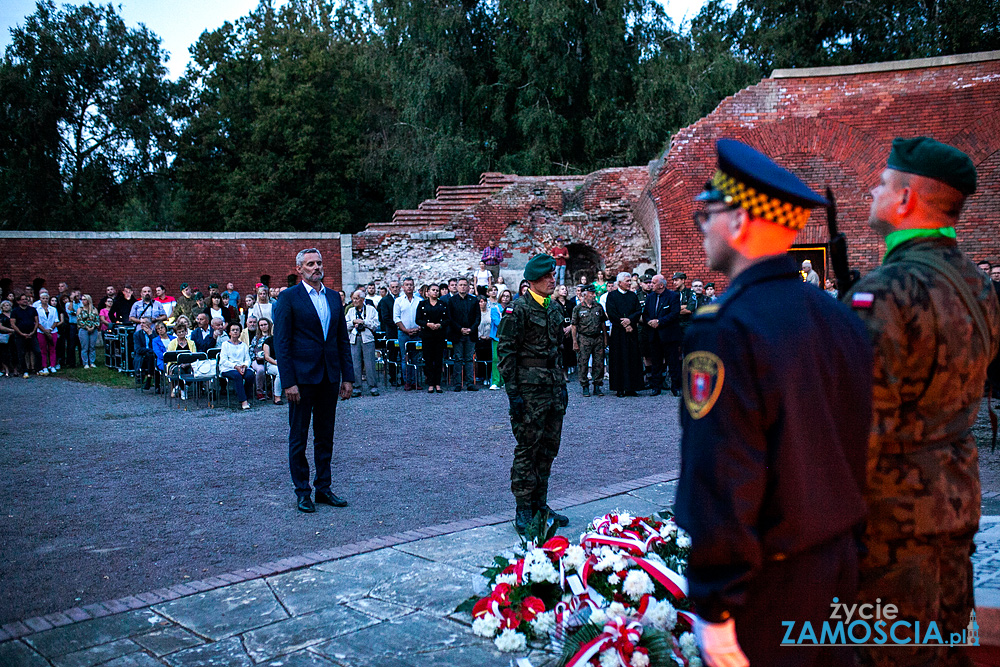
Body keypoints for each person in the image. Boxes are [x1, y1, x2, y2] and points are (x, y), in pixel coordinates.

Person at [675, 138, 873, 667]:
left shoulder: (725, 328)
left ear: (738, 221)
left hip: (769, 587)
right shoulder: (840, 318)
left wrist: (715, 609)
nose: (701, 226)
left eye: (707, 212)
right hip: (837, 569)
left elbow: (722, 475)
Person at [845, 137, 1000, 666]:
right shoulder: (979, 287)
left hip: (889, 524)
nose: (872, 189)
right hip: (955, 505)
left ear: (906, 199)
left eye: (882, 183)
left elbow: (857, 429)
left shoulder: (883, 294)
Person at [273, 248, 355, 513]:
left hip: (329, 376)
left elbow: (342, 339)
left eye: (319, 262)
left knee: (325, 436)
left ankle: (323, 488)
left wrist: (348, 377)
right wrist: (288, 382)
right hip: (301, 378)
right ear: (300, 269)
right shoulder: (288, 298)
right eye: (310, 264)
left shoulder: (333, 297)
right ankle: (302, 492)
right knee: (298, 437)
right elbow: (282, 343)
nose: (316, 267)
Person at [497, 253, 570, 534]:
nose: (554, 280)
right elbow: (506, 354)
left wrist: (562, 388)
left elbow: (557, 352)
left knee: (549, 448)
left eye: (553, 276)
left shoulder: (554, 309)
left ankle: (541, 504)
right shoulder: (518, 310)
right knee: (528, 448)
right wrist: (513, 396)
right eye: (548, 277)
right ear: (533, 280)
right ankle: (524, 509)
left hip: (552, 388)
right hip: (528, 391)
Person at [642, 274, 681, 396]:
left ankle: (676, 387)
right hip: (654, 334)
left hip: (668, 335)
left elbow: (674, 313)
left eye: (653, 283)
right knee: (656, 363)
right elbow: (646, 313)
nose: (651, 285)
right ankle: (656, 387)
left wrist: (659, 322)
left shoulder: (673, 296)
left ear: (661, 285)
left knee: (673, 362)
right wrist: (649, 321)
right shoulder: (650, 297)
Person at [605, 271, 643, 397]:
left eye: (630, 281)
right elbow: (611, 313)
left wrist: (630, 321)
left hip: (631, 332)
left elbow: (638, 310)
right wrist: (624, 324)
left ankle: (632, 387)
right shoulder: (612, 296)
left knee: (633, 358)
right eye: (627, 281)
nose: (629, 283)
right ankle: (619, 388)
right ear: (620, 282)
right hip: (618, 332)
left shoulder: (633, 295)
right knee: (618, 359)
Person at [571, 284, 607, 397]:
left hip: (597, 338)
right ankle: (585, 386)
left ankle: (597, 385)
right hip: (584, 338)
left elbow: (603, 323)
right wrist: (574, 342)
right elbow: (574, 326)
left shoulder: (598, 307)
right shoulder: (578, 308)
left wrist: (605, 338)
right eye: (591, 294)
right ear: (585, 295)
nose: (594, 295)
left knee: (599, 363)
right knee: (583, 363)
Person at [448, 277, 480, 391]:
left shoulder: (474, 300)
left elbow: (477, 318)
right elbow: (450, 318)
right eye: (460, 285)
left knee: (469, 359)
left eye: (464, 285)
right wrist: (460, 329)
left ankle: (470, 383)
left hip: (471, 334)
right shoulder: (452, 301)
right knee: (458, 359)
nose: (462, 287)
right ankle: (458, 384)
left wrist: (471, 329)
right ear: (457, 287)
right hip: (458, 334)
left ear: (468, 287)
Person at [346, 290, 380, 397]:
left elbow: (376, 324)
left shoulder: (371, 310)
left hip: (367, 339)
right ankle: (357, 387)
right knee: (355, 364)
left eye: (356, 298)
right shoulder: (351, 311)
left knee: (370, 363)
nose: (354, 301)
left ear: (362, 300)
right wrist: (353, 322)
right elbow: (345, 324)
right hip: (354, 339)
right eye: (353, 298)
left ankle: (373, 387)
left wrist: (364, 322)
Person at [416, 284, 449, 393]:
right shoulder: (422, 304)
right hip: (427, 335)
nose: (435, 292)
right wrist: (427, 324)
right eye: (433, 290)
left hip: (439, 335)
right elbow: (418, 319)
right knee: (428, 359)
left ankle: (438, 383)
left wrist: (440, 325)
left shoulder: (443, 304)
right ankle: (430, 383)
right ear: (428, 292)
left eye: (437, 290)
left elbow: (447, 319)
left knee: (439, 359)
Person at [393, 277, 422, 391]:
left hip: (417, 333)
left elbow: (422, 316)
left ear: (414, 287)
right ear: (403, 287)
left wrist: (418, 328)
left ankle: (415, 381)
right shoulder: (398, 301)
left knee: (416, 358)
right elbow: (396, 318)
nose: (409, 287)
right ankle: (407, 382)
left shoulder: (419, 300)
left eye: (411, 284)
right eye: (407, 285)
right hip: (403, 333)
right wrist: (405, 330)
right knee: (405, 358)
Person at [219, 322, 255, 410]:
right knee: (237, 375)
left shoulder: (243, 345)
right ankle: (243, 401)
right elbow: (223, 360)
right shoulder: (225, 345)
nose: (235, 332)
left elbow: (247, 359)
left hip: (242, 367)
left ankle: (246, 395)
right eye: (233, 330)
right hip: (228, 368)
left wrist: (244, 366)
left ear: (240, 332)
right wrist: (235, 366)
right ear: (229, 332)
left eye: (237, 330)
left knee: (250, 375)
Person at [377, 280, 400, 385]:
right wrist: (399, 325)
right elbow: (384, 317)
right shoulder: (385, 301)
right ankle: (393, 378)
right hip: (392, 331)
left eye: (397, 287)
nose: (395, 289)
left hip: (403, 332)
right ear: (389, 289)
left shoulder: (402, 299)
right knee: (392, 356)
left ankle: (404, 377)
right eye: (393, 287)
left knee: (404, 356)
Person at [165, 321, 197, 399]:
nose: (181, 333)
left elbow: (194, 355)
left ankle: (181, 387)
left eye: (183, 331)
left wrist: (187, 364)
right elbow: (170, 356)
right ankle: (183, 390)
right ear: (176, 333)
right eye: (179, 332)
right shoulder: (172, 343)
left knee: (193, 371)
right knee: (179, 371)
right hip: (175, 364)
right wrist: (180, 364)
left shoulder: (191, 343)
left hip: (189, 363)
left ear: (186, 332)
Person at [489, 289, 513, 390]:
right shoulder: (495, 309)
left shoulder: (512, 308)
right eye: (503, 296)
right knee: (496, 359)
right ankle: (495, 381)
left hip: (509, 337)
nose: (505, 298)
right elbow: (498, 322)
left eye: (507, 296)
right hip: (497, 337)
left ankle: (504, 380)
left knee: (506, 359)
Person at [12, 293, 40, 377]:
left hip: (32, 334)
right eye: (23, 299)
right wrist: (21, 333)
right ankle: (24, 370)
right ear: (18, 301)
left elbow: (36, 321)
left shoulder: (32, 310)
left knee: (37, 351)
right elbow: (13, 323)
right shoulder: (15, 311)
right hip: (20, 335)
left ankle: (37, 369)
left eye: (26, 299)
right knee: (22, 353)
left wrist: (33, 331)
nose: (25, 301)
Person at [35, 292, 60, 375]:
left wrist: (50, 329)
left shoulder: (53, 309)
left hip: (52, 331)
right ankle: (44, 367)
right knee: (43, 350)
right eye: (43, 298)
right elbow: (37, 322)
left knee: (52, 348)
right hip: (41, 332)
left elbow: (56, 320)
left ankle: (52, 365)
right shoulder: (37, 310)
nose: (45, 300)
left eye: (46, 298)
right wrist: (44, 331)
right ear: (40, 299)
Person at [261, 322, 283, 404]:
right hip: (272, 363)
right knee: (279, 372)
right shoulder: (268, 341)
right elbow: (267, 357)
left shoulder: (285, 339)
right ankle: (277, 397)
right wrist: (278, 363)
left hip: (284, 362)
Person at [133, 317, 157, 390]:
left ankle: (149, 378)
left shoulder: (155, 333)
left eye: (143, 323)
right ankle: (149, 378)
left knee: (151, 356)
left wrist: (150, 335)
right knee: (150, 355)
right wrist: (150, 350)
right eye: (141, 323)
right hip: (142, 356)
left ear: (149, 324)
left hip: (152, 356)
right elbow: (138, 349)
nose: (141, 325)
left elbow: (156, 346)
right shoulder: (137, 334)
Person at [248, 317, 268, 399]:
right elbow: (251, 349)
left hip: (270, 360)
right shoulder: (256, 338)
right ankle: (259, 391)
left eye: (265, 324)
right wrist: (254, 358)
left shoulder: (273, 336)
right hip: (257, 360)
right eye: (261, 325)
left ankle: (273, 391)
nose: (263, 326)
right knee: (260, 370)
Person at [476, 296, 493, 384]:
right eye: (480, 302)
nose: (482, 303)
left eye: (483, 301)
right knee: (481, 357)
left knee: (489, 357)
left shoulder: (490, 312)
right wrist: (480, 336)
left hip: (489, 337)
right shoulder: (476, 314)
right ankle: (481, 375)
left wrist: (490, 335)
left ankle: (488, 376)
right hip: (480, 338)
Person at [151, 321, 173, 392]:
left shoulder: (174, 338)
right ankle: (173, 387)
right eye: (158, 329)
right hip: (162, 361)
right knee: (169, 367)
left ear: (165, 328)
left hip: (174, 359)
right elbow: (159, 354)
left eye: (162, 327)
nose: (160, 330)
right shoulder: (155, 341)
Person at [0, 300, 15, 377]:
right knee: (4, 353)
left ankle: (15, 369)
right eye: (4, 305)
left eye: (8, 305)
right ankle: (6, 369)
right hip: (4, 337)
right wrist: (11, 330)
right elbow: (1, 326)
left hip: (14, 336)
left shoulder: (14, 315)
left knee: (14, 352)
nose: (6, 307)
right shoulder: (1, 316)